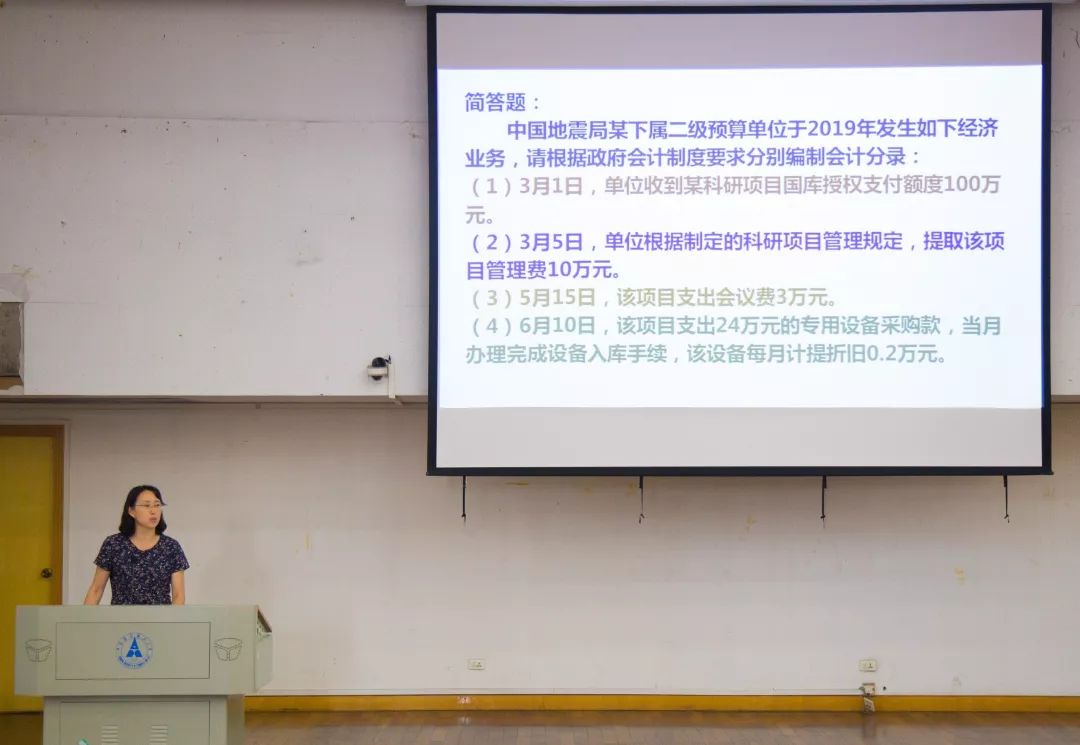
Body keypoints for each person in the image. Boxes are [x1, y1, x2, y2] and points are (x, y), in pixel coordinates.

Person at [83, 485, 189, 605]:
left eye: (157, 505)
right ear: (131, 511)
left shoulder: (171, 546)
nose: (153, 511)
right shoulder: (113, 544)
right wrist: (84, 616)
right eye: (146, 505)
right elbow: (96, 590)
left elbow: (178, 596)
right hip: (121, 616)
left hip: (160, 616)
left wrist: (172, 617)